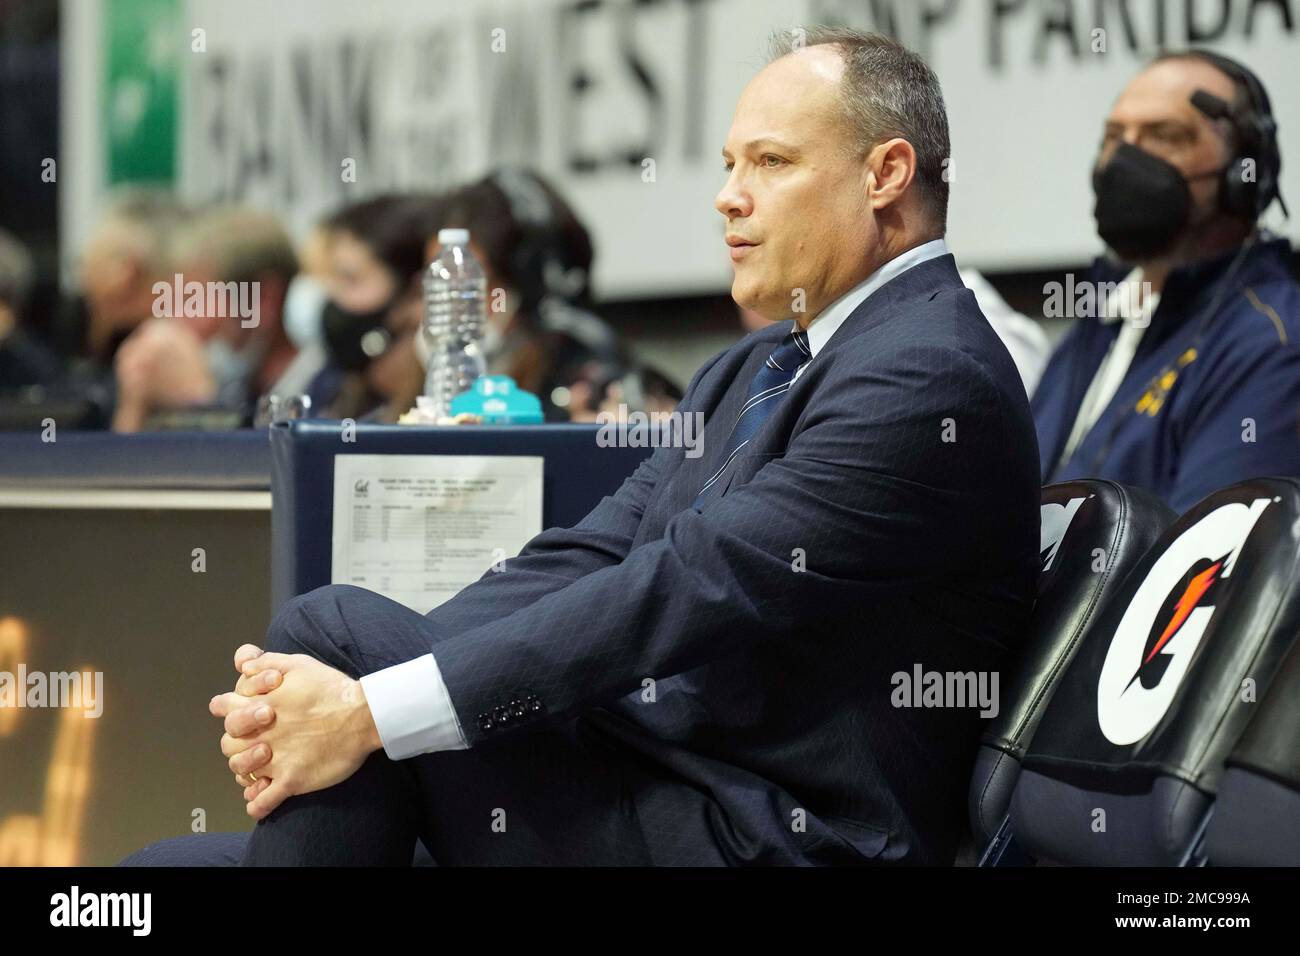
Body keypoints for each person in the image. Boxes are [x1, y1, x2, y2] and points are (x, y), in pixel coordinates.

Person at [124, 28, 1039, 867]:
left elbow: (683, 585)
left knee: (332, 635)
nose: (728, 195)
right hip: (662, 772)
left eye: (771, 162)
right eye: (728, 163)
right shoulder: (759, 361)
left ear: (886, 174)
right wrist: (350, 705)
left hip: (773, 834)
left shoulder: (926, 372)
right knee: (286, 713)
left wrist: (370, 709)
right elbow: (590, 553)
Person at [1033, 50, 1300, 513]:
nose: (1124, 158)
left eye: (1163, 136)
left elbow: (1205, 567)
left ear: (1243, 173)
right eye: (1114, 137)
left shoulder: (1269, 343)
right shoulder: (1099, 319)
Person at [433, 170, 628, 421]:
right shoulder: (428, 375)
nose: (454, 304)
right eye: (442, 284)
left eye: (474, 285)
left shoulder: (585, 378)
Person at [110, 206, 301, 432]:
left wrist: (201, 406)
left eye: (194, 301)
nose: (177, 320)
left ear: (263, 299)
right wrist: (135, 407)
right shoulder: (239, 387)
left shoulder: (330, 397)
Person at [306, 194, 445, 423]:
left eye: (351, 279)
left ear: (417, 295)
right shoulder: (332, 393)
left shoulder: (448, 414)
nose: (333, 297)